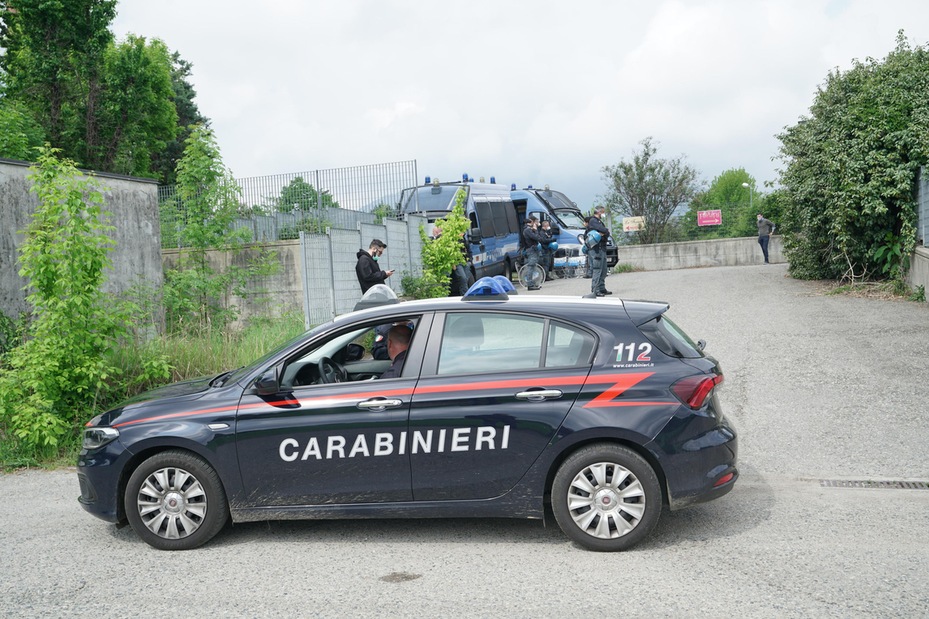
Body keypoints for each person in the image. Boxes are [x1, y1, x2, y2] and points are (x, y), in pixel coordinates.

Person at [587, 205, 612, 296]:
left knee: (604, 269)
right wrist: (604, 231)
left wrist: (604, 232)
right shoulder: (593, 221)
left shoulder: (599, 222)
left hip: (602, 248)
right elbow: (603, 230)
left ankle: (602, 288)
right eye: (603, 212)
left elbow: (606, 232)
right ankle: (595, 289)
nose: (603, 214)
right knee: (597, 269)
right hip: (596, 249)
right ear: (599, 212)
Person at [520, 215, 545, 290]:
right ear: (532, 222)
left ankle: (532, 283)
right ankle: (530, 284)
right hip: (531, 249)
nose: (537, 223)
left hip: (532, 249)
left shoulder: (528, 229)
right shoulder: (527, 230)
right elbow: (537, 238)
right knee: (531, 266)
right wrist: (536, 230)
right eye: (536, 222)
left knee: (533, 266)